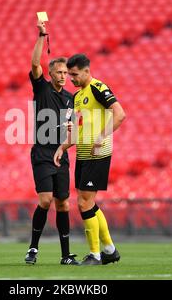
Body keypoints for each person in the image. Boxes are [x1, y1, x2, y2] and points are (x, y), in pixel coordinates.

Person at [54, 54, 126, 265]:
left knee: (84, 202)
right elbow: (76, 131)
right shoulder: (77, 97)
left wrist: (102, 137)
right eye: (69, 75)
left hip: (98, 153)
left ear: (86, 71)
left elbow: (120, 114)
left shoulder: (98, 88)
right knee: (88, 203)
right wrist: (62, 147)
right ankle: (110, 250)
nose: (71, 79)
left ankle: (95, 254)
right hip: (83, 155)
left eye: (74, 74)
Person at [24, 19, 79, 265]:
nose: (64, 76)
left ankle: (66, 255)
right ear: (51, 73)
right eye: (59, 72)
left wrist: (66, 144)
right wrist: (41, 36)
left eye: (66, 72)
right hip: (42, 153)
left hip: (62, 155)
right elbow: (35, 63)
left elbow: (71, 128)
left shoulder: (70, 98)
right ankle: (33, 249)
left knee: (64, 204)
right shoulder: (42, 89)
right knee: (45, 200)